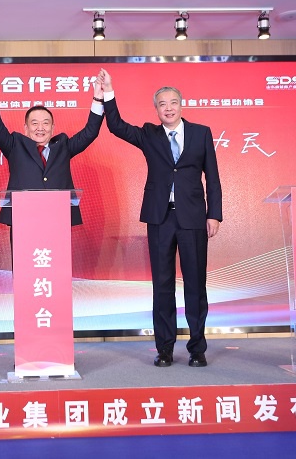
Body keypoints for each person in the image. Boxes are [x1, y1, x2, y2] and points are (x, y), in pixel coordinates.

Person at [100, 69, 222, 368]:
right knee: (162, 285)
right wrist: (108, 92)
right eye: (162, 104)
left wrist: (214, 214)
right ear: (156, 110)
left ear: (181, 105)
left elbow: (213, 177)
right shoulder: (149, 134)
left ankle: (197, 348)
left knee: (196, 284)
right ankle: (165, 348)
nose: (168, 108)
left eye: (173, 103)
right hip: (160, 218)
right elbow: (116, 126)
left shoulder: (201, 133)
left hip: (193, 218)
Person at [0, 65, 104, 229]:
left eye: (46, 123)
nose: (40, 128)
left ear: (52, 128)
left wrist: (98, 98)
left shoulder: (63, 146)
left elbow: (90, 132)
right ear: (26, 128)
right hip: (23, 220)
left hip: (58, 219)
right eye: (34, 123)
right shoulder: (14, 145)